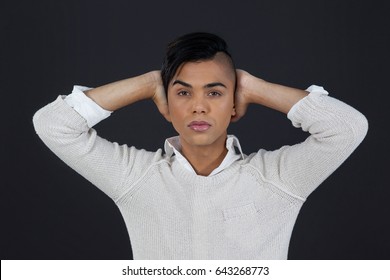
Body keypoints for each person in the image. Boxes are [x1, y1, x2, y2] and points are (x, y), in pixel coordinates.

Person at [33, 32, 368, 259]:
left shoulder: (278, 180)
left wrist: (254, 86)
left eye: (214, 92)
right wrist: (150, 82)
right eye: (182, 92)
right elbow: (54, 125)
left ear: (234, 102)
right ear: (166, 103)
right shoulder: (136, 178)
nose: (198, 106)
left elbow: (347, 128)